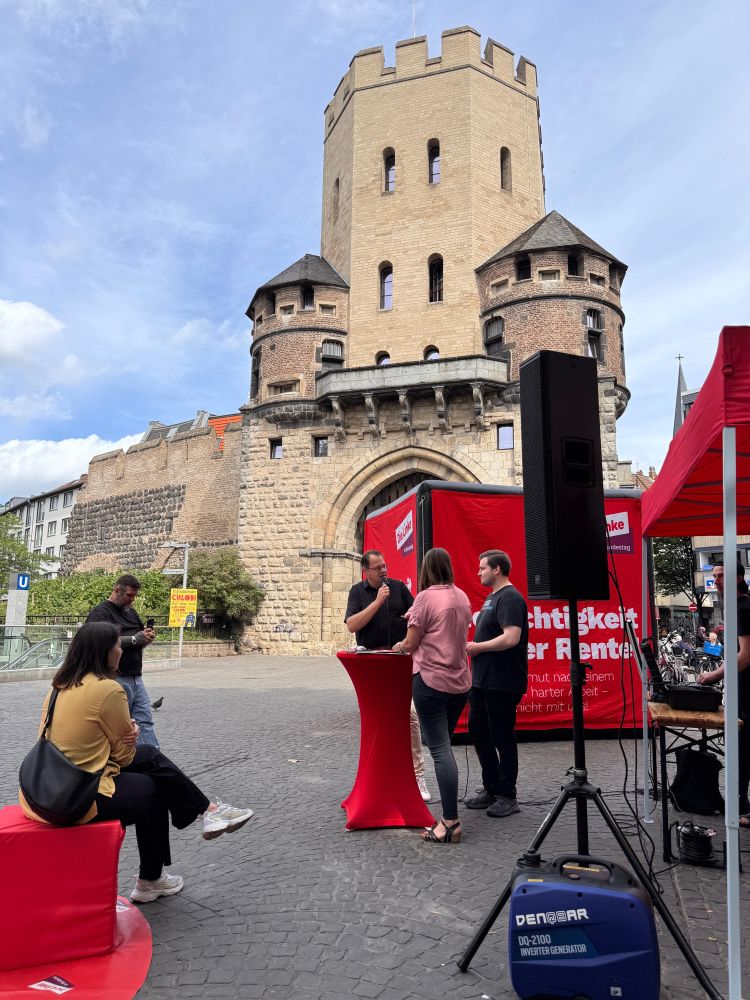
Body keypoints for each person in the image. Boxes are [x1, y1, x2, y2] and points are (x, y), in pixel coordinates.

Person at [19, 622, 254, 903]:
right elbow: (124, 756)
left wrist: (120, 739)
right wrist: (132, 734)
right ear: (104, 652)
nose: (121, 650)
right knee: (153, 788)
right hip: (74, 798)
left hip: (41, 788)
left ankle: (207, 811)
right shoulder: (108, 690)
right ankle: (152, 878)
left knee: (151, 757)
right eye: (117, 645)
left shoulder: (59, 685)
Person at [393, 548, 472, 843]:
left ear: (425, 569)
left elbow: (411, 643)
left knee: (439, 750)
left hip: (431, 680)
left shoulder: (425, 597)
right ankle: (450, 816)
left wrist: (399, 645)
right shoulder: (461, 595)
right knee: (445, 747)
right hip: (460, 682)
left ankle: (450, 822)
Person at [344, 550, 430, 801]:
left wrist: (408, 619)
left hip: (400, 660)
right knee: (377, 720)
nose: (383, 571)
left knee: (410, 717)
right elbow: (352, 625)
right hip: (371, 663)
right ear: (366, 571)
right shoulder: (357, 593)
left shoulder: (399, 588)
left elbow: (418, 615)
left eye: (385, 566)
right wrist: (377, 603)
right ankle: (380, 778)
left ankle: (418, 777)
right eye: (378, 567)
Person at [464, 549, 529, 818]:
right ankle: (491, 788)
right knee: (479, 733)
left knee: (502, 736)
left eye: (482, 568)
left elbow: (511, 638)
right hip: (482, 681)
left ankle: (507, 794)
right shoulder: (493, 597)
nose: (478, 572)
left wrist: (477, 647)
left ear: (497, 569)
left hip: (502, 681)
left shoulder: (511, 598)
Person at [699, 561, 750, 826]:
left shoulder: (743, 609)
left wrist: (714, 675)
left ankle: (743, 809)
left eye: (722, 576)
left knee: (742, 749)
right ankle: (742, 806)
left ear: (739, 579)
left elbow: (744, 656)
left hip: (747, 691)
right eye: (715, 576)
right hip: (740, 688)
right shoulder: (736, 608)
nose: (716, 581)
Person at [87, 574, 159, 748]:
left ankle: (153, 759)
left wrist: (145, 640)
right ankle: (122, 761)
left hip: (135, 677)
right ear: (117, 590)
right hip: (114, 678)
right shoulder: (100, 612)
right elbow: (100, 642)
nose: (132, 600)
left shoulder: (132, 613)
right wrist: (134, 639)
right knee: (120, 725)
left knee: (145, 720)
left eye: (134, 596)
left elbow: (137, 643)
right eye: (129, 595)